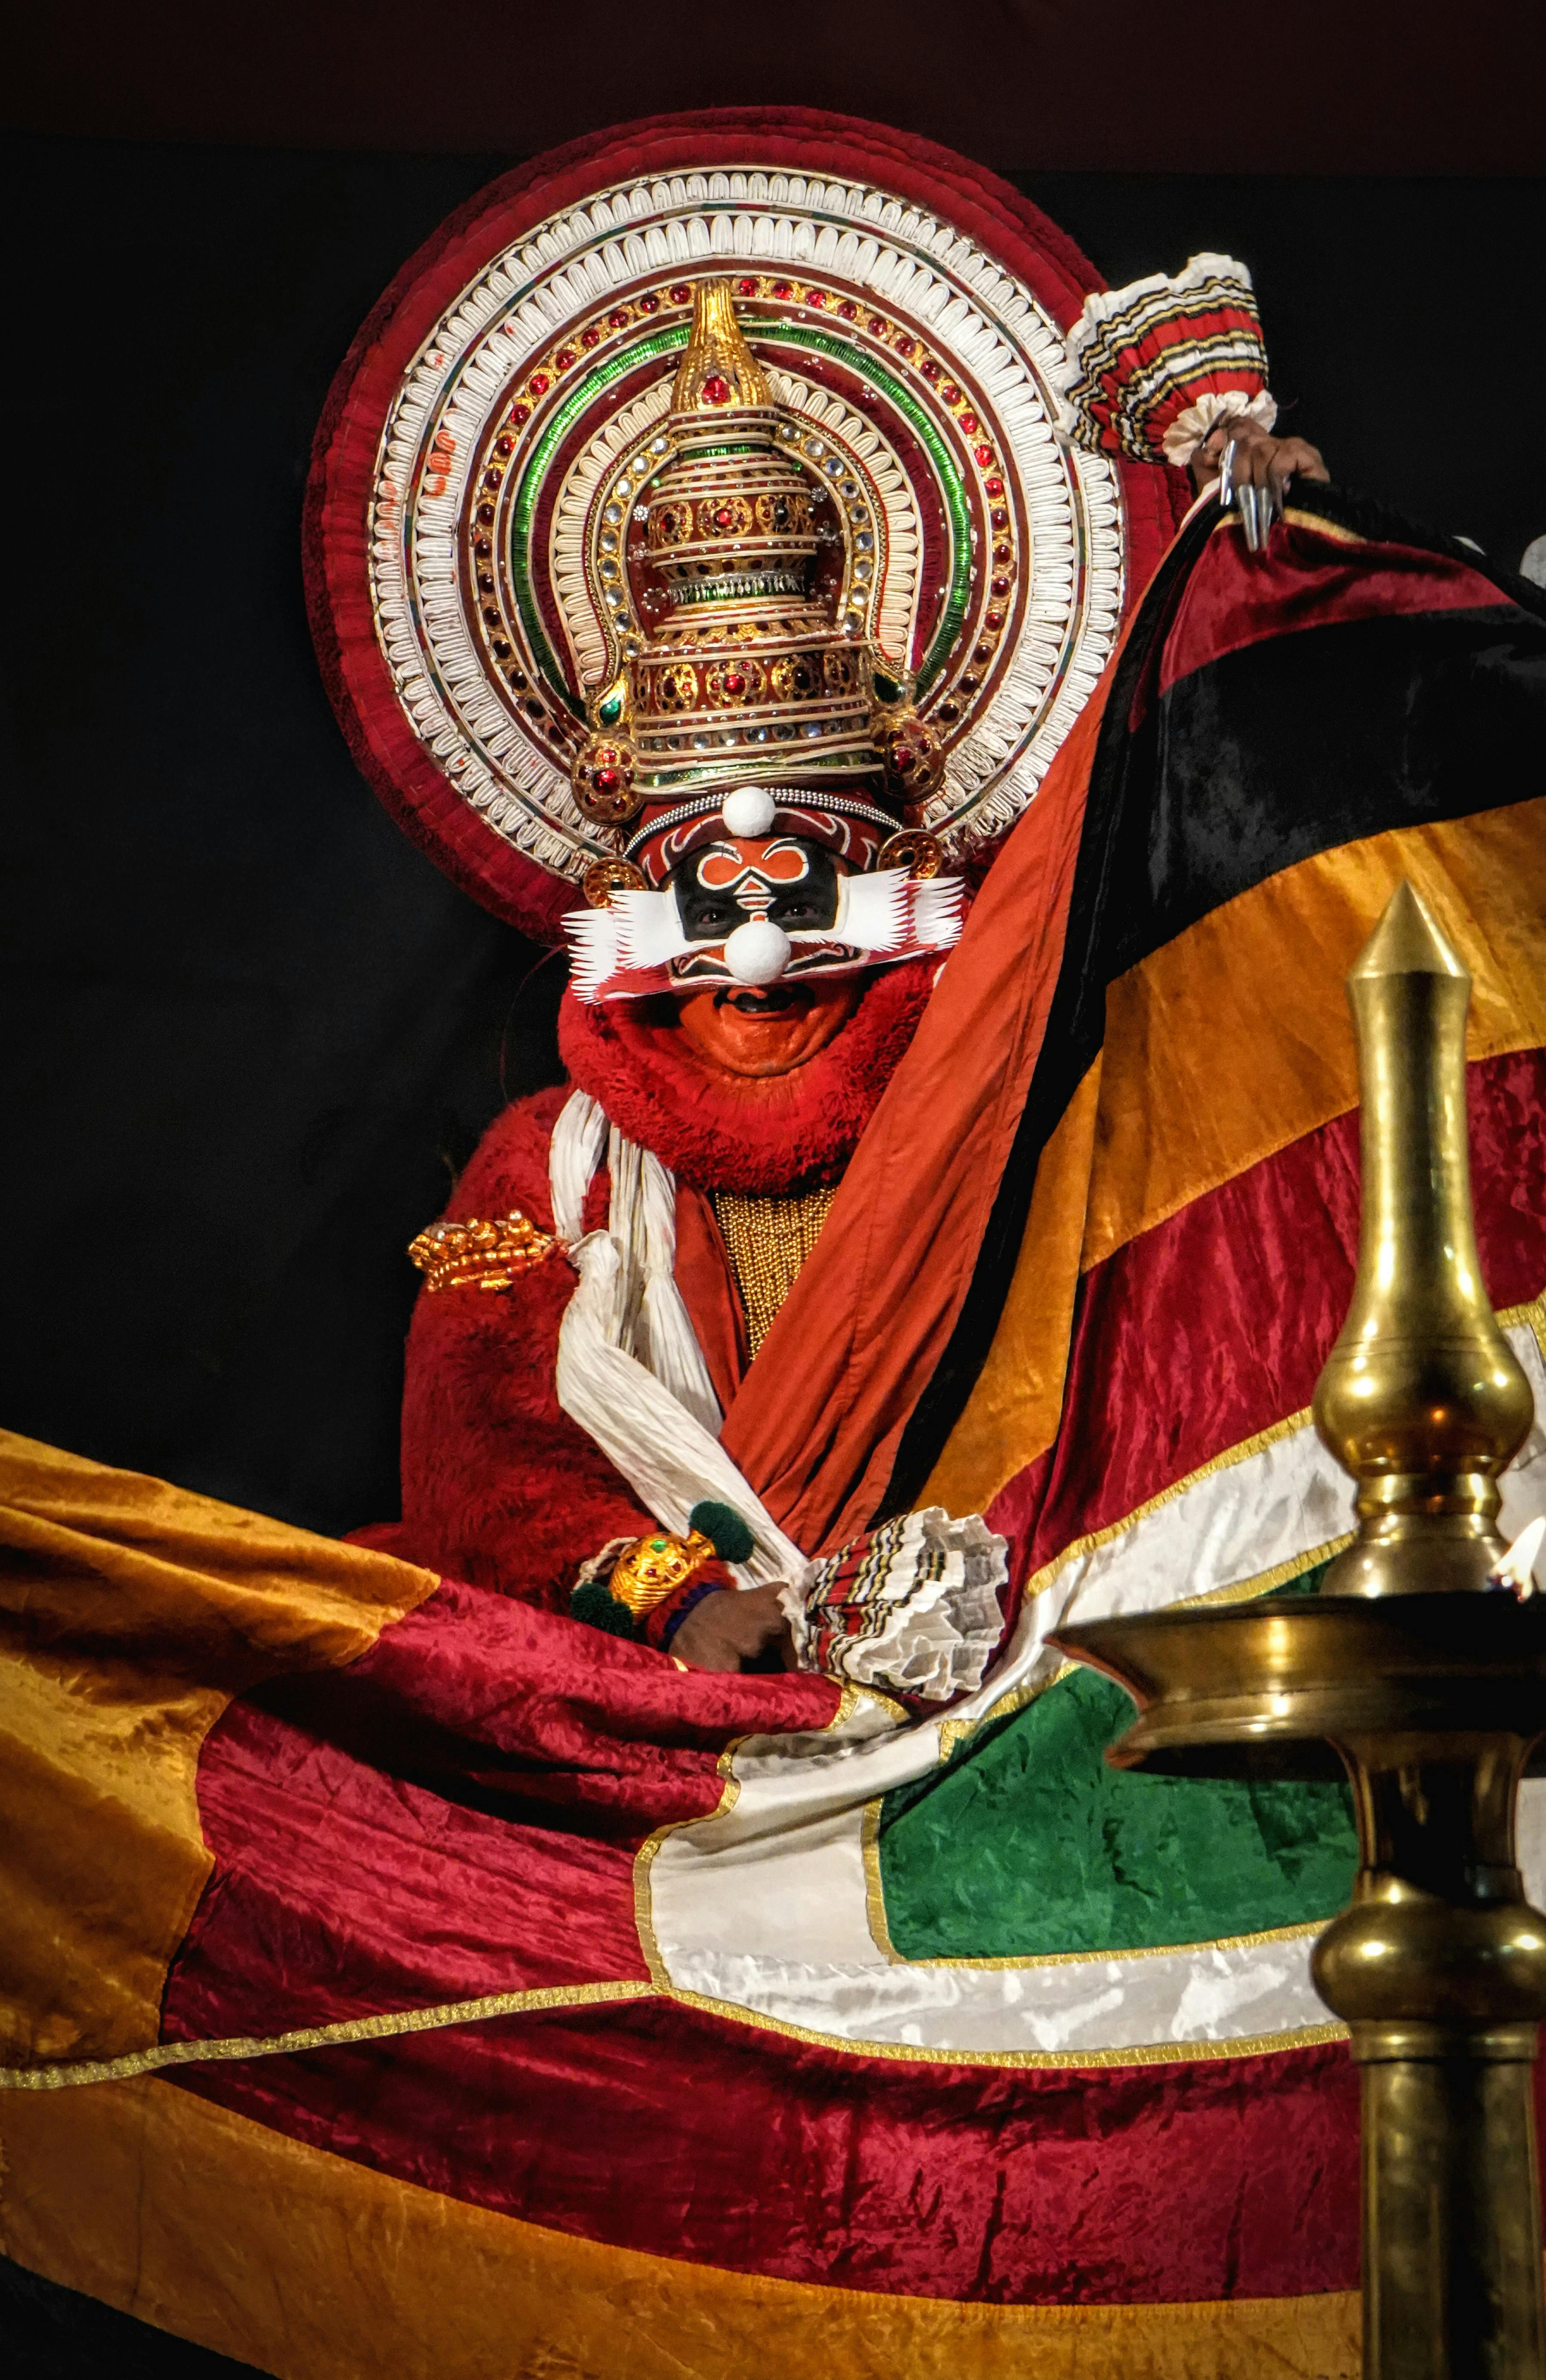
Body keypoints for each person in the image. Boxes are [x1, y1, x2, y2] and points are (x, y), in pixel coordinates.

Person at [3, 111, 1543, 2380]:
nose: (752, 938)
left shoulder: (1010, 1078)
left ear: (902, 830)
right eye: (698, 879)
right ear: (605, 862)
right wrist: (699, 1608)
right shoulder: (554, 1164)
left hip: (1014, 1691)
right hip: (660, 1732)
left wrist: (1251, 569)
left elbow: (1190, 915)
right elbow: (492, 1469)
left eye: (803, 860)